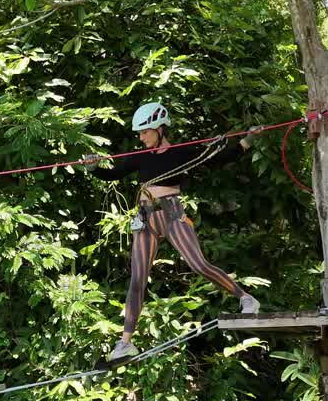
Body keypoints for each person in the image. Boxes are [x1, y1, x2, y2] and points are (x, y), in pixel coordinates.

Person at [82, 101, 260, 362]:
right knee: (137, 280)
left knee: (198, 264)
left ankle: (246, 299)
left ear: (159, 129)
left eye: (144, 132)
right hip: (144, 218)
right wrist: (94, 168)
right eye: (140, 133)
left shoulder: (180, 152)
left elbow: (217, 159)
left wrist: (245, 142)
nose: (141, 137)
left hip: (172, 213)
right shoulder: (140, 157)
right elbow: (114, 174)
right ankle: (125, 343)